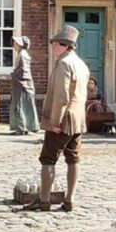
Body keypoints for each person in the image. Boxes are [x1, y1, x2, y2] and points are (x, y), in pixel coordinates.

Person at [23, 25, 90, 212]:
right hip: (78, 119)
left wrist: (55, 122)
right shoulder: (81, 64)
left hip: (63, 119)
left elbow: (62, 97)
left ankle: (44, 200)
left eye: (55, 45)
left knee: (48, 159)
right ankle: (69, 199)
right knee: (73, 158)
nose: (52, 48)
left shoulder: (64, 64)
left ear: (66, 46)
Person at [10, 36, 39, 135]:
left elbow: (23, 71)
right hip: (23, 84)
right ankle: (23, 127)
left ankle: (22, 128)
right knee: (22, 105)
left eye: (16, 43)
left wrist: (14, 74)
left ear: (20, 45)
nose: (14, 45)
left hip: (22, 85)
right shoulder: (22, 54)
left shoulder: (23, 55)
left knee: (19, 105)